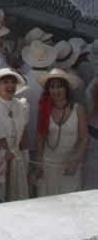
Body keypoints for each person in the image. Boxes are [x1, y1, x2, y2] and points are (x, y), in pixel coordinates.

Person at [33, 68, 89, 197]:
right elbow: (40, 137)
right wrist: (39, 163)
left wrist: (75, 161)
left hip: (70, 165)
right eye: (52, 87)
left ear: (66, 89)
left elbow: (84, 139)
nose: (55, 91)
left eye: (59, 87)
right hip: (48, 165)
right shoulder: (44, 108)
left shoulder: (78, 109)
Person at [0, 67, 30, 201]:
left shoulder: (22, 106)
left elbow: (23, 137)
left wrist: (24, 158)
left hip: (17, 160)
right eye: (5, 82)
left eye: (12, 82)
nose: (10, 85)